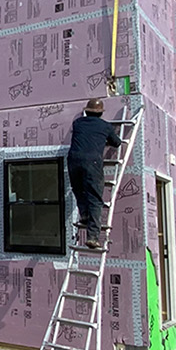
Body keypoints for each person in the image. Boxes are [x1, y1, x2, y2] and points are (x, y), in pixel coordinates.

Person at [67, 98, 121, 249]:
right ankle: (93, 237)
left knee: (78, 189)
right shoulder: (105, 126)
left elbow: (85, 136)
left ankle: (84, 214)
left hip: (74, 160)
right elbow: (116, 142)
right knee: (95, 198)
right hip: (92, 162)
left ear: (87, 110)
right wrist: (104, 139)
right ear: (100, 113)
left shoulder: (77, 123)